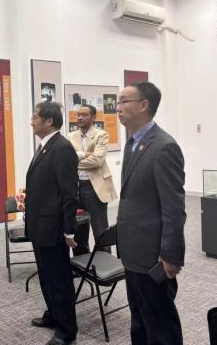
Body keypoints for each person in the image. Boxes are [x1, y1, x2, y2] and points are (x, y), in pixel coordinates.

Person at [116, 82, 186, 345]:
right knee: (139, 322)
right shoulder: (133, 143)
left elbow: (174, 208)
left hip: (153, 257)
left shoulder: (164, 146)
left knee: (161, 327)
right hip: (132, 251)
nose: (118, 107)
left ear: (144, 105)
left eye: (124, 101)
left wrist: (170, 255)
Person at [24, 101, 79, 345]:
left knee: (59, 280)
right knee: (46, 276)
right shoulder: (45, 146)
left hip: (53, 227)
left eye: (35, 117)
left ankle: (67, 331)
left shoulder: (62, 148)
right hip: (40, 225)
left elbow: (69, 194)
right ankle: (54, 315)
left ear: (49, 121)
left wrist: (69, 229)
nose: (31, 121)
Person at [67, 104, 117, 252]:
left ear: (94, 117)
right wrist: (86, 155)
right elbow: (67, 160)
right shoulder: (70, 136)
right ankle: (80, 263)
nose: (80, 118)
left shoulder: (101, 135)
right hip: (76, 188)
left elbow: (98, 160)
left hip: (95, 187)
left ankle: (104, 262)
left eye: (84, 115)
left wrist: (76, 159)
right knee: (79, 230)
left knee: (100, 230)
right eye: (78, 115)